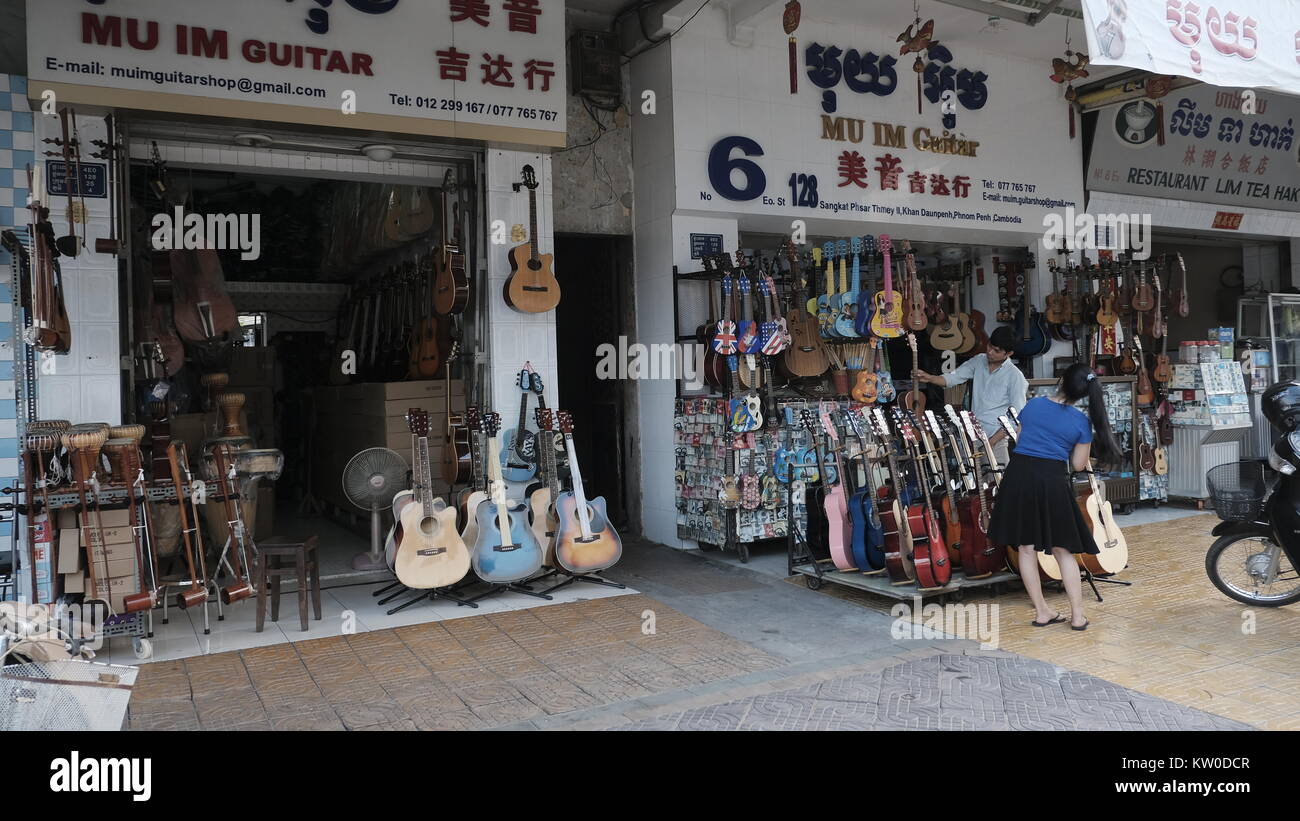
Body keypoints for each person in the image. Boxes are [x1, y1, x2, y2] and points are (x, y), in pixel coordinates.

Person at [986, 363, 1124, 631]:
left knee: (1025, 548)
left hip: (1018, 475)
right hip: (1051, 480)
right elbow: (1079, 464)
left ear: (1061, 381)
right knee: (1063, 549)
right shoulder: (1081, 422)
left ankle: (1042, 612)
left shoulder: (1034, 405)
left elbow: (1021, 437)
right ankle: (1077, 616)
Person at [913, 325, 1027, 467]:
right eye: (990, 345)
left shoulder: (1015, 376)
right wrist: (930, 378)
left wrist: (991, 442)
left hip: (996, 439)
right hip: (972, 435)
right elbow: (953, 378)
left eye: (996, 351)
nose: (990, 352)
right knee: (974, 485)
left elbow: (1017, 417)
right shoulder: (979, 360)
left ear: (1008, 353)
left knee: (997, 485)